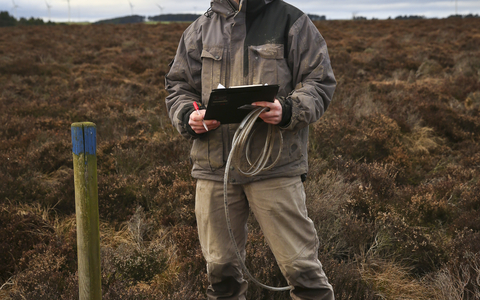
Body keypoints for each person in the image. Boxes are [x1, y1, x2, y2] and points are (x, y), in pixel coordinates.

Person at [165, 0, 336, 299]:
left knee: (302, 270)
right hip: (214, 168)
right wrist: (188, 116)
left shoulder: (291, 21)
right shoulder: (199, 30)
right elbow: (179, 87)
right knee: (221, 272)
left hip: (274, 166)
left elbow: (318, 81)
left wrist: (288, 109)